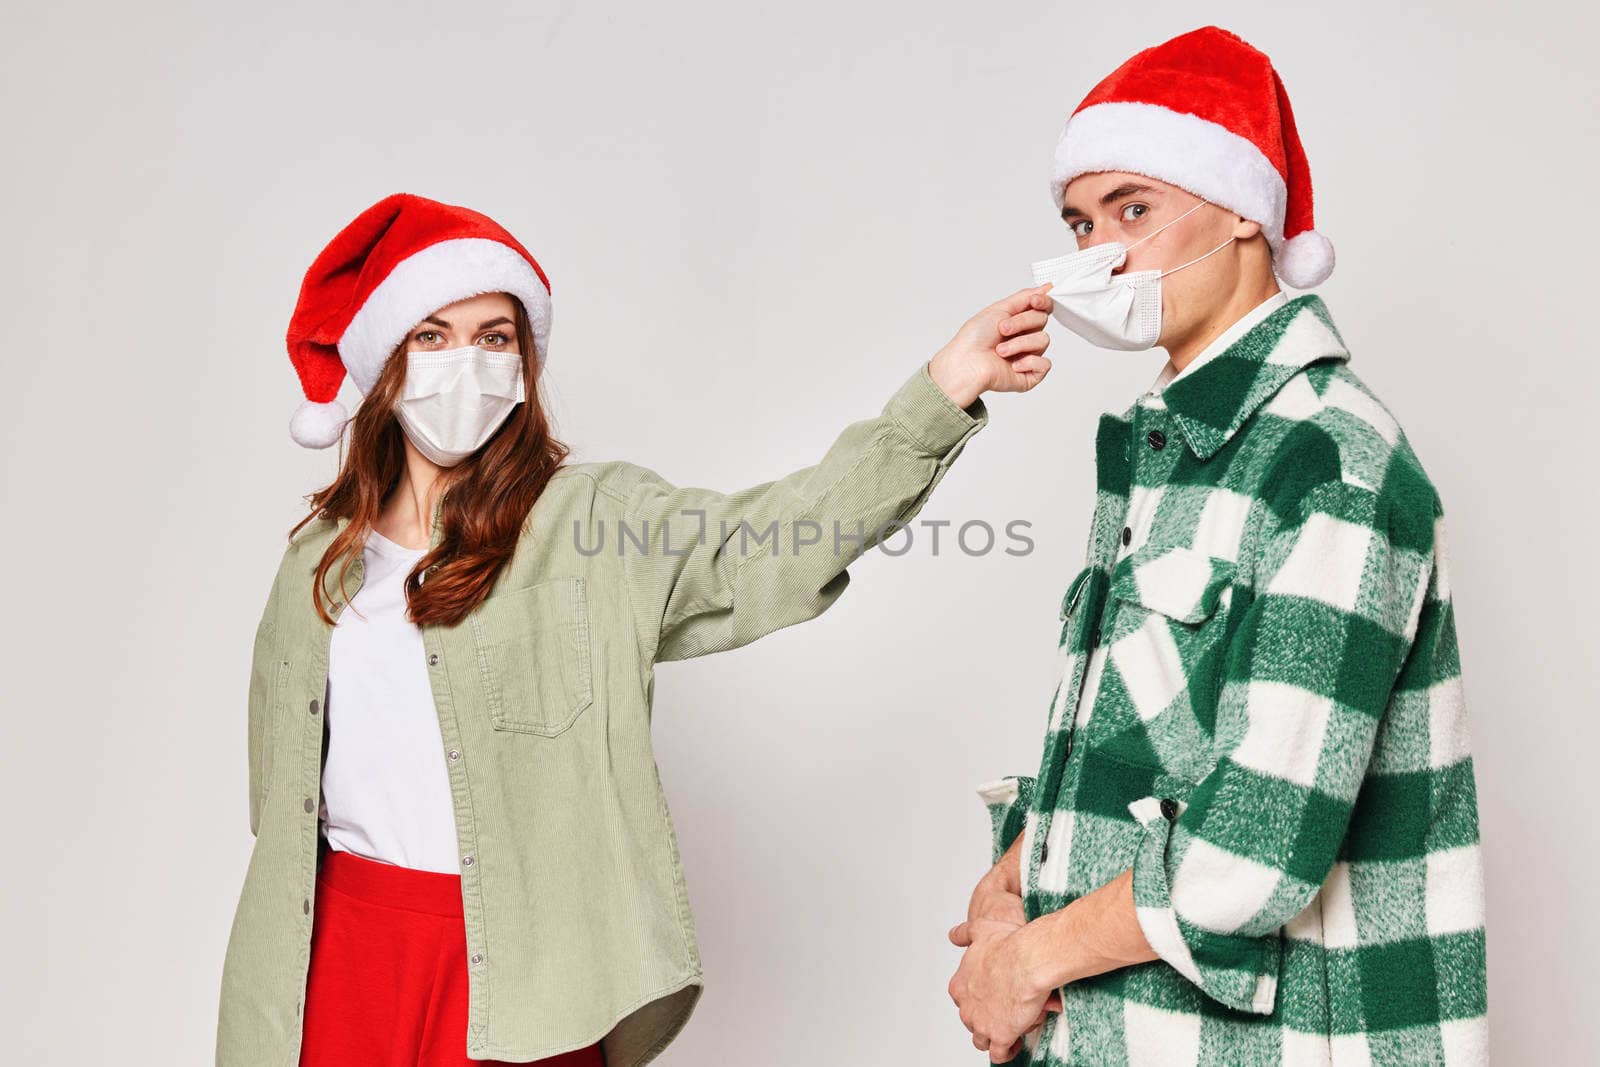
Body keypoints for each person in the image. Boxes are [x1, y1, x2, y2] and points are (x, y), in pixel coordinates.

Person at [214, 192, 1054, 1066]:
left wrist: (942, 390)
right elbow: (279, 794)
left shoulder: (589, 520)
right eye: (431, 334)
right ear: (384, 358)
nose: (466, 361)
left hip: (527, 971)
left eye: (494, 336)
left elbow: (765, 547)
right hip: (337, 953)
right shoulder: (320, 557)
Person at [945, 26, 1487, 1066]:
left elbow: (1252, 848)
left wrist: (1023, 962)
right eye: (1077, 219)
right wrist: (1011, 875)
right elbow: (1155, 736)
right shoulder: (1173, 448)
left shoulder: (1329, 460)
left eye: (1132, 209)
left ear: (1244, 209)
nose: (1096, 250)